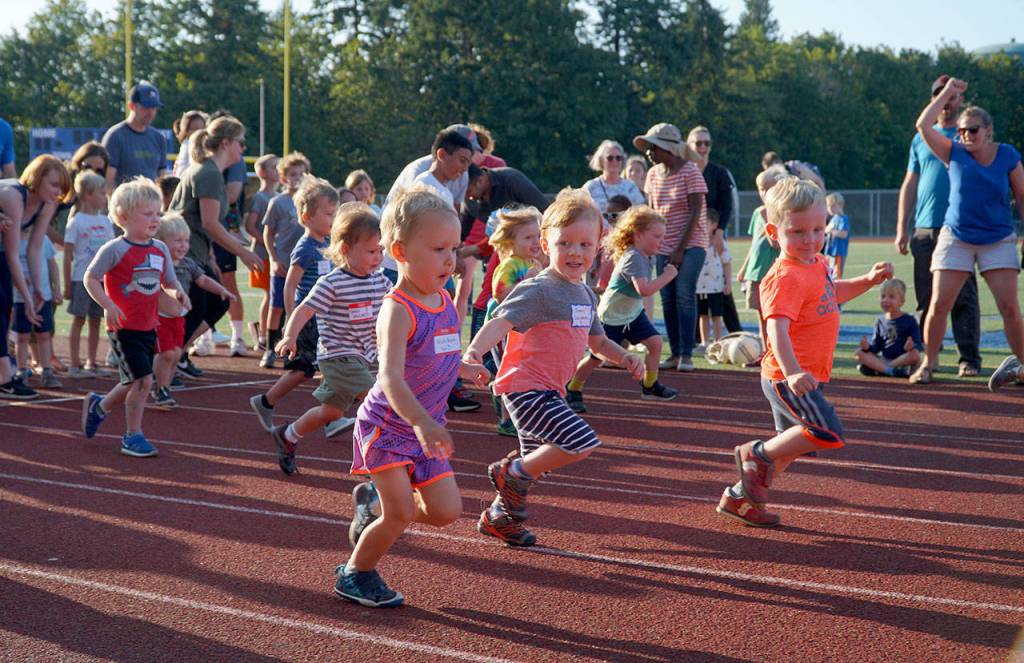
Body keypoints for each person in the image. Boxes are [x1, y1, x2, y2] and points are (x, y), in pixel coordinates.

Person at [334, 187, 488, 609]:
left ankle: (372, 506)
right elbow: (389, 376)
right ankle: (355, 573)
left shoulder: (443, 301)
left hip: (423, 430)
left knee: (445, 512)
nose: (449, 260)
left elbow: (441, 352)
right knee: (400, 514)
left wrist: (464, 368)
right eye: (438, 249)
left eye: (453, 249)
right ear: (400, 250)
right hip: (388, 427)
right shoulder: (397, 309)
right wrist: (422, 421)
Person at [465, 187, 644, 548]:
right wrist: (472, 354)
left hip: (551, 390)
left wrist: (624, 357)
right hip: (525, 388)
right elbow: (500, 321)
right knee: (580, 442)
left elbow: (597, 343)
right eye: (565, 243)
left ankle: (499, 517)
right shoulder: (539, 289)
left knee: (535, 465)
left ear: (598, 248)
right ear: (546, 244)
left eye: (585, 245)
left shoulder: (586, 294)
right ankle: (508, 472)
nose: (575, 252)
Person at [715, 178, 893, 527]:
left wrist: (867, 282)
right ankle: (754, 453)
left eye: (817, 229)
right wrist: (794, 370)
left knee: (791, 448)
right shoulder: (784, 277)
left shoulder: (816, 262)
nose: (810, 239)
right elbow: (776, 329)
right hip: (789, 376)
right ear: (773, 231)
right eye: (797, 232)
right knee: (828, 433)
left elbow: (830, 294)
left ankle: (739, 498)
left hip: (806, 374)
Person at [909, 78, 1024, 390]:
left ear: (988, 131)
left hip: (997, 238)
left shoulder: (1008, 155)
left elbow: (1023, 197)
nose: (966, 135)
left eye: (973, 129)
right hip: (956, 236)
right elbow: (923, 124)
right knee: (939, 304)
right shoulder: (953, 152)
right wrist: (947, 93)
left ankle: (1023, 366)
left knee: (1010, 308)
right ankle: (928, 363)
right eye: (962, 130)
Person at [272, 203, 390, 467]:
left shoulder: (379, 280)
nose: (378, 257)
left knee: (332, 411)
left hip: (363, 357)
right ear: (346, 250)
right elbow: (305, 309)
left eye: (380, 250)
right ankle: (379, 460)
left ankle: (288, 435)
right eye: (371, 251)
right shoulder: (332, 282)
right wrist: (290, 335)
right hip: (338, 356)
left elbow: (397, 304)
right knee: (377, 398)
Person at [81, 178, 188, 457]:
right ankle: (132, 436)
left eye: (157, 213)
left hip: (148, 325)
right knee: (143, 380)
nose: (155, 220)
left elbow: (169, 282)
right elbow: (90, 278)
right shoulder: (115, 249)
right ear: (124, 216)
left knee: (131, 380)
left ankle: (99, 406)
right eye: (147, 214)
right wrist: (108, 304)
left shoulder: (160, 249)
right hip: (122, 327)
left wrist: (178, 293)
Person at [895, 74, 982, 378]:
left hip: (960, 228)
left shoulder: (967, 135)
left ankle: (968, 358)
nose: (946, 102)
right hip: (925, 227)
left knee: (963, 296)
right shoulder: (922, 138)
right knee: (926, 297)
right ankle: (926, 357)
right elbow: (910, 182)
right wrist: (901, 227)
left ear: (960, 100)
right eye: (940, 96)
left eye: (951, 96)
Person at [249, 177, 340, 456]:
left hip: (324, 316)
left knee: (308, 368)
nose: (333, 218)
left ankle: (267, 402)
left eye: (335, 213)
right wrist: (292, 319)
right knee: (316, 365)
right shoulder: (305, 247)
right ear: (306, 216)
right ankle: (329, 417)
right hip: (308, 317)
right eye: (327, 213)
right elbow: (290, 284)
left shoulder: (328, 242)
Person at [168, 115, 261, 378]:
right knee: (198, 304)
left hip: (195, 251)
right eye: (240, 143)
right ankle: (166, 360)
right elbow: (209, 223)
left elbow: (203, 223)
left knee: (217, 300)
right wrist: (242, 251)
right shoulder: (208, 172)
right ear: (226, 143)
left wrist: (210, 257)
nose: (243, 149)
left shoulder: (213, 173)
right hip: (182, 253)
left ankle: (177, 356)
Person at [565, 204, 678, 414]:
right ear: (638, 235)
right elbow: (644, 289)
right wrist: (667, 276)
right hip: (611, 317)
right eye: (657, 236)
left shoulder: (645, 254)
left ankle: (649, 385)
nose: (662, 241)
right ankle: (573, 388)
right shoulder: (633, 256)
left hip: (632, 313)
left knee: (655, 343)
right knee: (596, 358)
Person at [634, 122, 707, 372]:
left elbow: (696, 211)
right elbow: (652, 210)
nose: (649, 154)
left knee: (684, 294)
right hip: (662, 245)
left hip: (691, 243)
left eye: (652, 148)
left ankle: (687, 354)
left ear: (668, 149)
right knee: (667, 297)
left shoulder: (690, 171)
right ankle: (674, 353)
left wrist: (680, 248)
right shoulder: (653, 175)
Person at [151, 215, 235, 409]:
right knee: (166, 354)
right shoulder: (158, 263)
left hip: (179, 319)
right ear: (162, 243)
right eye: (177, 241)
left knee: (177, 352)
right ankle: (159, 386)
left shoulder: (188, 264)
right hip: (160, 319)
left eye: (186, 241)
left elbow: (203, 280)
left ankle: (164, 386)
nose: (183, 245)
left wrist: (222, 290)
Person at [480, 206, 543, 436]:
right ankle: (507, 419)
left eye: (538, 235)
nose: (536, 241)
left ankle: (517, 412)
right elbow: (500, 294)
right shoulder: (510, 264)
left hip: (523, 327)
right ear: (510, 242)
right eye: (528, 237)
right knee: (510, 371)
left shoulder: (534, 264)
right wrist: (525, 283)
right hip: (503, 327)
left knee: (523, 371)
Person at [259, 151, 311, 369]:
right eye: (292, 174)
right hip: (282, 263)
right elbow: (267, 233)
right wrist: (272, 258)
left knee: (305, 306)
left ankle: (300, 348)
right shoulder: (278, 202)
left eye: (301, 173)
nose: (297, 177)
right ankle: (270, 349)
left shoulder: (311, 200)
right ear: (283, 178)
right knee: (277, 306)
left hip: (304, 265)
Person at [688, 125, 742, 334]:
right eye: (698, 143)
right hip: (690, 238)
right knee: (691, 286)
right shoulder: (685, 171)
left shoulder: (719, 173)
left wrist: (719, 232)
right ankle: (692, 338)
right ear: (690, 145)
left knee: (720, 285)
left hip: (714, 235)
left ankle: (735, 332)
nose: (702, 147)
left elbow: (726, 205)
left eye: (706, 143)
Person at [64, 171, 115, 378]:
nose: (105, 197)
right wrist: (67, 284)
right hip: (80, 280)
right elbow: (68, 256)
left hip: (102, 281)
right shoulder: (76, 222)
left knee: (96, 321)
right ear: (87, 195)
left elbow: (112, 253)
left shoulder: (106, 222)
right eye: (101, 193)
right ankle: (75, 365)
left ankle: (91, 363)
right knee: (79, 320)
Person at [735, 166, 790, 358]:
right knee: (760, 314)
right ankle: (766, 352)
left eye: (768, 188)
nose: (764, 193)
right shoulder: (757, 213)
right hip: (756, 271)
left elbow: (776, 244)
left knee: (773, 316)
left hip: (772, 271)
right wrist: (744, 268)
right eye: (760, 188)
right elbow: (754, 245)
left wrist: (768, 217)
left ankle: (776, 352)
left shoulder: (779, 213)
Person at [102, 81, 168, 192]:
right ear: (131, 106)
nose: (151, 112)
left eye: (154, 107)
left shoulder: (159, 138)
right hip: (125, 204)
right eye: (146, 107)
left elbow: (161, 178)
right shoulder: (115, 136)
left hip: (150, 205)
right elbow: (108, 181)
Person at [13, 233, 60, 388]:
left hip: (42, 296)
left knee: (44, 334)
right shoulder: (12, 239)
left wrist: (57, 289)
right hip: (19, 298)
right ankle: (21, 370)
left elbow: (52, 264)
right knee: (22, 336)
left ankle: (47, 370)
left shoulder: (43, 239)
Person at [244, 154, 280, 352]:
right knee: (270, 295)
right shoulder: (260, 197)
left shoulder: (279, 196)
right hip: (263, 253)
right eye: (274, 167)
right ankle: (263, 335)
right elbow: (250, 226)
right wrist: (268, 242)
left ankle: (267, 330)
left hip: (276, 252)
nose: (278, 170)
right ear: (263, 172)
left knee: (276, 296)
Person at [854, 278, 922, 378]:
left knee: (915, 355)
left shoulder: (910, 320)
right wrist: (867, 347)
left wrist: (911, 346)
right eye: (883, 296)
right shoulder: (880, 321)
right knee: (859, 353)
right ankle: (889, 371)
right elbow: (876, 347)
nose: (886, 300)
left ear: (902, 301)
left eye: (891, 297)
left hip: (903, 360)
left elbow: (918, 345)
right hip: (885, 358)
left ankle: (882, 369)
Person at [695, 210, 732, 348]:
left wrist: (728, 283)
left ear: (714, 225)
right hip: (699, 287)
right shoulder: (696, 241)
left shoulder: (719, 242)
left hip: (715, 286)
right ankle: (705, 342)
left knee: (716, 316)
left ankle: (718, 342)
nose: (702, 225)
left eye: (705, 223)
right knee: (703, 315)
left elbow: (727, 262)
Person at [581, 140, 645, 216]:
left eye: (618, 158)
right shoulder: (590, 187)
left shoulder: (631, 187)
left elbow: (641, 214)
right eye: (610, 158)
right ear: (601, 160)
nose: (614, 161)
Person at [172, 110, 208, 177]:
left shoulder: (198, 144)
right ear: (186, 131)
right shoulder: (188, 145)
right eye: (194, 129)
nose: (199, 132)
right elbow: (181, 173)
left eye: (202, 128)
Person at [823, 192, 850, 279]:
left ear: (838, 205)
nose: (828, 209)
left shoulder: (843, 218)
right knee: (829, 274)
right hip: (831, 251)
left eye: (830, 206)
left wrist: (831, 231)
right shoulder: (834, 218)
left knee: (837, 276)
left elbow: (844, 234)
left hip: (839, 252)